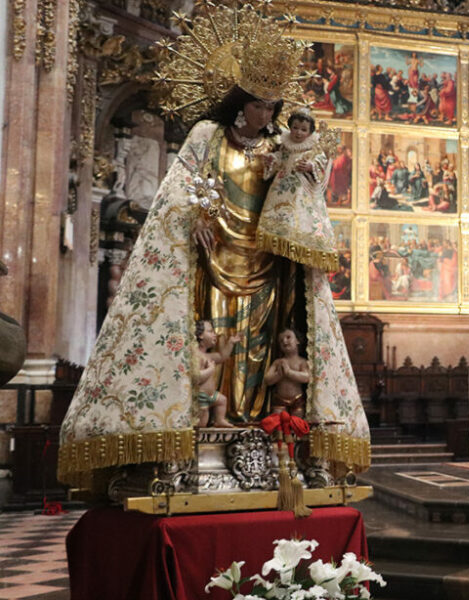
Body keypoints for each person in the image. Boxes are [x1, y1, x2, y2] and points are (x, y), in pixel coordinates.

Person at [58, 17, 370, 488]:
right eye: (260, 105)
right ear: (240, 102)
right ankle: (208, 424)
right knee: (218, 337)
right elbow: (181, 186)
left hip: (267, 258)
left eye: (273, 107)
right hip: (215, 253)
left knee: (261, 340)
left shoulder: (277, 146)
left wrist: (303, 177)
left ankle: (257, 418)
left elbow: (304, 187)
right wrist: (198, 216)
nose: (267, 115)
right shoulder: (207, 134)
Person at [258, 109, 340, 273]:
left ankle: (296, 246)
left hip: (302, 189)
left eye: (303, 129)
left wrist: (311, 166)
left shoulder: (313, 146)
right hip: (282, 187)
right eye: (295, 127)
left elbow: (321, 163)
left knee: (300, 217)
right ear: (290, 127)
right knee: (280, 216)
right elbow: (281, 158)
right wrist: (272, 159)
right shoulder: (286, 143)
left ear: (310, 132)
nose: (298, 132)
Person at [194, 321, 238, 429]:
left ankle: (220, 420)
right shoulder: (195, 355)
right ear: (200, 335)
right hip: (201, 396)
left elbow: (222, 356)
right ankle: (198, 433)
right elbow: (196, 377)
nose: (214, 334)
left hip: (211, 395)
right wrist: (210, 370)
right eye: (210, 331)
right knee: (203, 421)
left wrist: (230, 343)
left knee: (222, 400)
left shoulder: (207, 356)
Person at [264, 329, 309, 418]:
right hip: (280, 400)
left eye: (288, 337)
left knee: (296, 422)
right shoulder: (278, 362)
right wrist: (278, 375)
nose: (284, 341)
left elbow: (306, 377)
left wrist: (289, 373)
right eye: (281, 340)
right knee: (277, 420)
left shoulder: (302, 362)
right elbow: (267, 380)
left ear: (297, 341)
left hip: (297, 400)